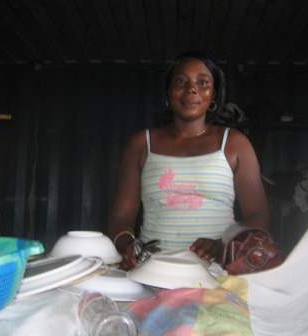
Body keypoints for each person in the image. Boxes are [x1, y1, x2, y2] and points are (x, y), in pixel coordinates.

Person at [108, 50, 270, 271]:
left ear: (213, 95)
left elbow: (259, 215)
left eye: (202, 82)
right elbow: (120, 216)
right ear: (169, 92)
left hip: (217, 271)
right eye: (181, 81)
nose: (192, 88)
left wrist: (222, 245)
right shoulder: (141, 144)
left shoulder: (234, 143)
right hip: (153, 269)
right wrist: (127, 245)